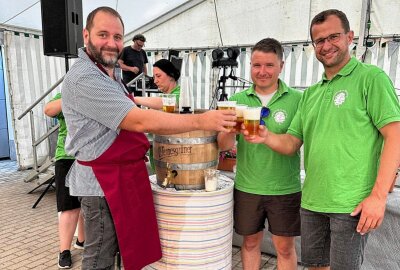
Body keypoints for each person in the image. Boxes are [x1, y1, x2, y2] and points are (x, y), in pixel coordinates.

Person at [61, 7, 236, 270]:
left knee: (124, 251)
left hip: (122, 176)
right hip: (102, 183)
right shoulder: (85, 77)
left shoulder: (109, 73)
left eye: (117, 36)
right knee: (99, 258)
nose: (112, 43)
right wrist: (201, 121)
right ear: (86, 35)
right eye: (103, 34)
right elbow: (138, 120)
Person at [242, 9, 400, 269]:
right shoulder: (311, 94)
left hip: (351, 204)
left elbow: (394, 136)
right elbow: (292, 142)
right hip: (312, 201)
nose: (326, 46)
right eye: (319, 41)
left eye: (333, 37)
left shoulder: (371, 78)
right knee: (315, 266)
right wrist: (266, 136)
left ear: (350, 37)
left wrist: (378, 196)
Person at [217, 38, 302, 270]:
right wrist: (227, 129)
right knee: (251, 243)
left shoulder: (298, 100)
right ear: (250, 66)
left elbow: (296, 143)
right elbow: (224, 146)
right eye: (257, 65)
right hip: (247, 186)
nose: (262, 72)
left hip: (285, 188)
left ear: (281, 66)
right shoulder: (237, 101)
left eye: (269, 65)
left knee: (284, 248)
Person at [44, 94, 85, 269]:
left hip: (90, 156)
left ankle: (82, 240)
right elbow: (48, 110)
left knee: (87, 201)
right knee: (69, 206)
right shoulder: (65, 95)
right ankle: (64, 251)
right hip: (67, 157)